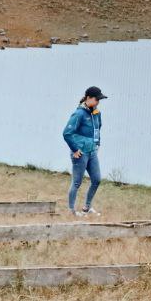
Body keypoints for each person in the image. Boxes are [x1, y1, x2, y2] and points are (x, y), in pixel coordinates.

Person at [62, 86, 106, 217]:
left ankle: (87, 207)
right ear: (88, 98)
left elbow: (98, 129)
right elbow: (67, 133)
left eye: (99, 100)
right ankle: (71, 211)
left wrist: (97, 144)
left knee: (96, 179)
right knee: (77, 182)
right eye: (96, 99)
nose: (98, 102)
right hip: (80, 153)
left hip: (92, 152)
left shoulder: (96, 113)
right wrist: (75, 149)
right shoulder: (79, 114)